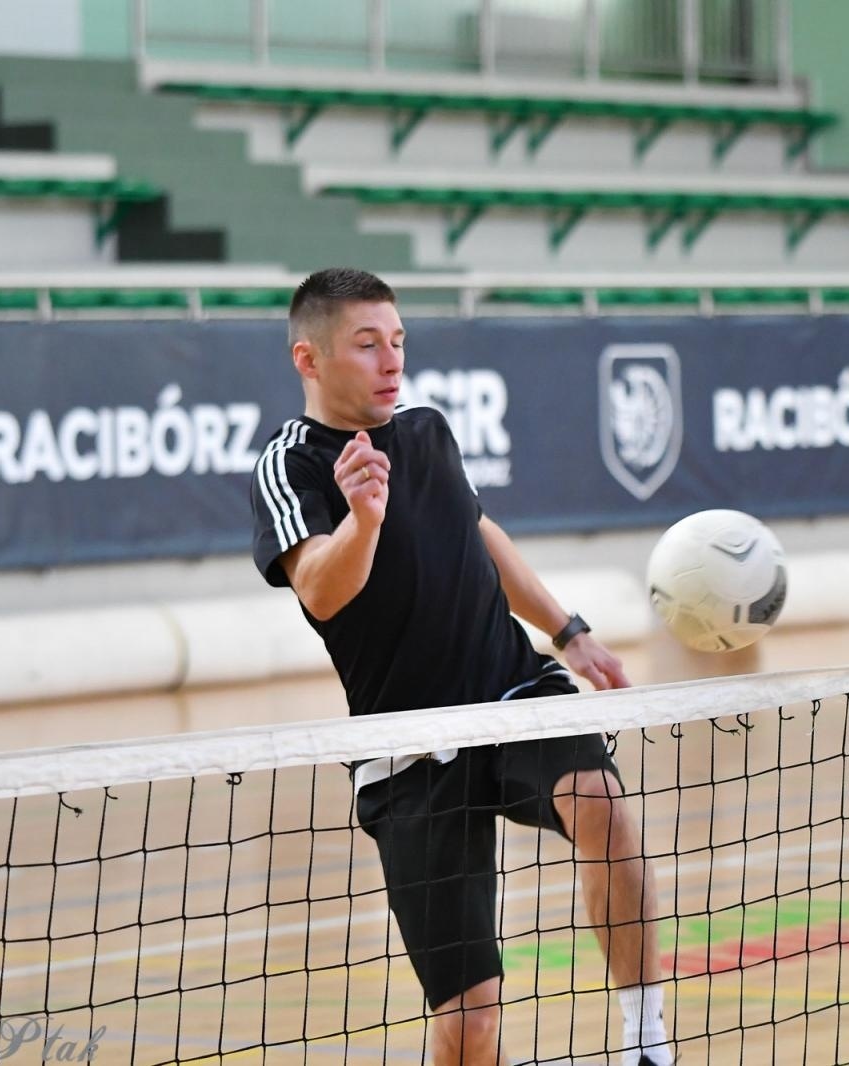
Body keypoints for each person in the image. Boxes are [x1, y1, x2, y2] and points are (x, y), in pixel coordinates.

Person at [250, 267, 671, 1066]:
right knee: (471, 1021)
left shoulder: (427, 431)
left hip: (508, 690)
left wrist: (567, 630)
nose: (391, 361)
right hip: (406, 746)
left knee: (603, 808)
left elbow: (478, 532)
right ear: (310, 360)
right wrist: (365, 519)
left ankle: (647, 1045)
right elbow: (322, 591)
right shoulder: (291, 467)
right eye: (367, 345)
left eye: (398, 341)